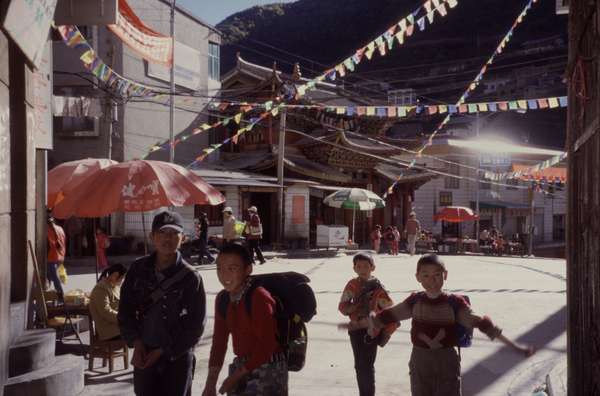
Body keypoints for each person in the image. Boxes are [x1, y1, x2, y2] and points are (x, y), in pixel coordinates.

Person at [347, 254, 534, 396]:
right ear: (417, 277)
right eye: (426, 275)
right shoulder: (414, 302)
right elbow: (388, 316)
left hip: (447, 361)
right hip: (420, 361)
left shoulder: (455, 303)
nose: (432, 280)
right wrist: (362, 323)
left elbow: (482, 323)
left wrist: (515, 347)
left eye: (437, 275)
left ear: (445, 275)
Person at [118, 210, 206, 396]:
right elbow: (125, 310)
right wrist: (136, 341)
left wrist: (164, 351)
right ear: (152, 237)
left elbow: (196, 326)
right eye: (162, 233)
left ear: (183, 238)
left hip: (178, 357)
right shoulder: (137, 269)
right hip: (144, 353)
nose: (168, 239)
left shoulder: (191, 277)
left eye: (174, 234)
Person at [202, 243, 287, 396]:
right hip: (242, 365)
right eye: (219, 268)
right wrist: (210, 383)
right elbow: (219, 343)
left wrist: (234, 377)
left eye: (232, 269)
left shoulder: (259, 297)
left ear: (248, 269)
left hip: (269, 367)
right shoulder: (223, 299)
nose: (224, 275)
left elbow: (267, 345)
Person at [338, 253, 398, 396]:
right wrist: (353, 307)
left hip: (371, 331)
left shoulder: (378, 287)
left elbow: (389, 306)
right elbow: (342, 306)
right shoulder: (352, 285)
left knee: (366, 364)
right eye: (359, 266)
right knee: (359, 364)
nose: (362, 269)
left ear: (373, 268)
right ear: (354, 268)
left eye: (366, 266)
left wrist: (376, 309)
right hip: (355, 329)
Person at [89, 264, 127, 341]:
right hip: (109, 331)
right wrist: (124, 318)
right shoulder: (101, 289)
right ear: (115, 275)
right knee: (141, 334)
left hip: (118, 325)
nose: (122, 280)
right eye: (122, 278)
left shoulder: (114, 286)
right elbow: (106, 312)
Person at [47, 213, 66, 302]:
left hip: (52, 257)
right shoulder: (60, 229)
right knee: (49, 278)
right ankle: (49, 296)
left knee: (54, 278)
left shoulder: (48, 231)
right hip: (60, 256)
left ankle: (60, 296)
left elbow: (47, 245)